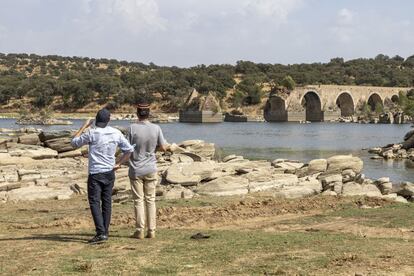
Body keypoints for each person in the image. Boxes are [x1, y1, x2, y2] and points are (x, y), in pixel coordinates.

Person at [71, 108, 134, 244]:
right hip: (109, 171)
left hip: (95, 172)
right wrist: (119, 163)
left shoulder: (92, 133)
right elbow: (129, 150)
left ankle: (101, 232)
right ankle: (104, 231)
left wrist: (83, 126)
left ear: (96, 119)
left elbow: (74, 143)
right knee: (106, 202)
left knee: (94, 202)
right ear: (108, 120)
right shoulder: (115, 132)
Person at [127, 101, 168, 239]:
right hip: (150, 168)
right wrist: (152, 149)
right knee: (151, 199)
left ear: (137, 113)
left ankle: (139, 230)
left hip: (136, 169)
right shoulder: (156, 128)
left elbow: (127, 149)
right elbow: (163, 147)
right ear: (149, 113)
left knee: (138, 200)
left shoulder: (132, 128)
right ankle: (152, 230)